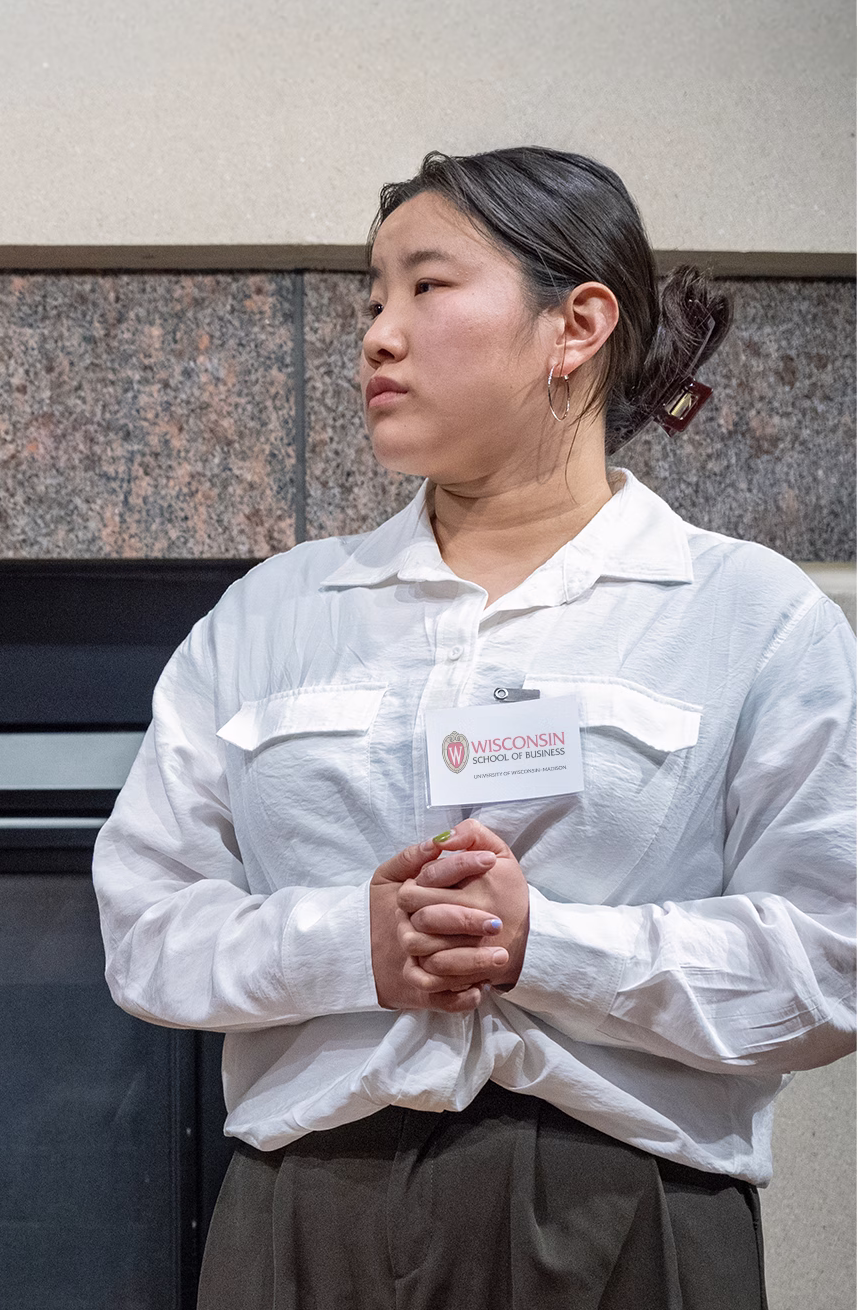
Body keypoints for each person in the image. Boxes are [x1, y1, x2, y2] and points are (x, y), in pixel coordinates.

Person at [94, 147, 854, 1309]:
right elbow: (148, 927)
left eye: (427, 287)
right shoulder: (270, 616)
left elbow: (829, 962)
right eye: (371, 299)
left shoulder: (748, 615)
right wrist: (356, 942)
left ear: (577, 323)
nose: (378, 335)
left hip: (625, 1221)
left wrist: (545, 947)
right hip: (302, 1220)